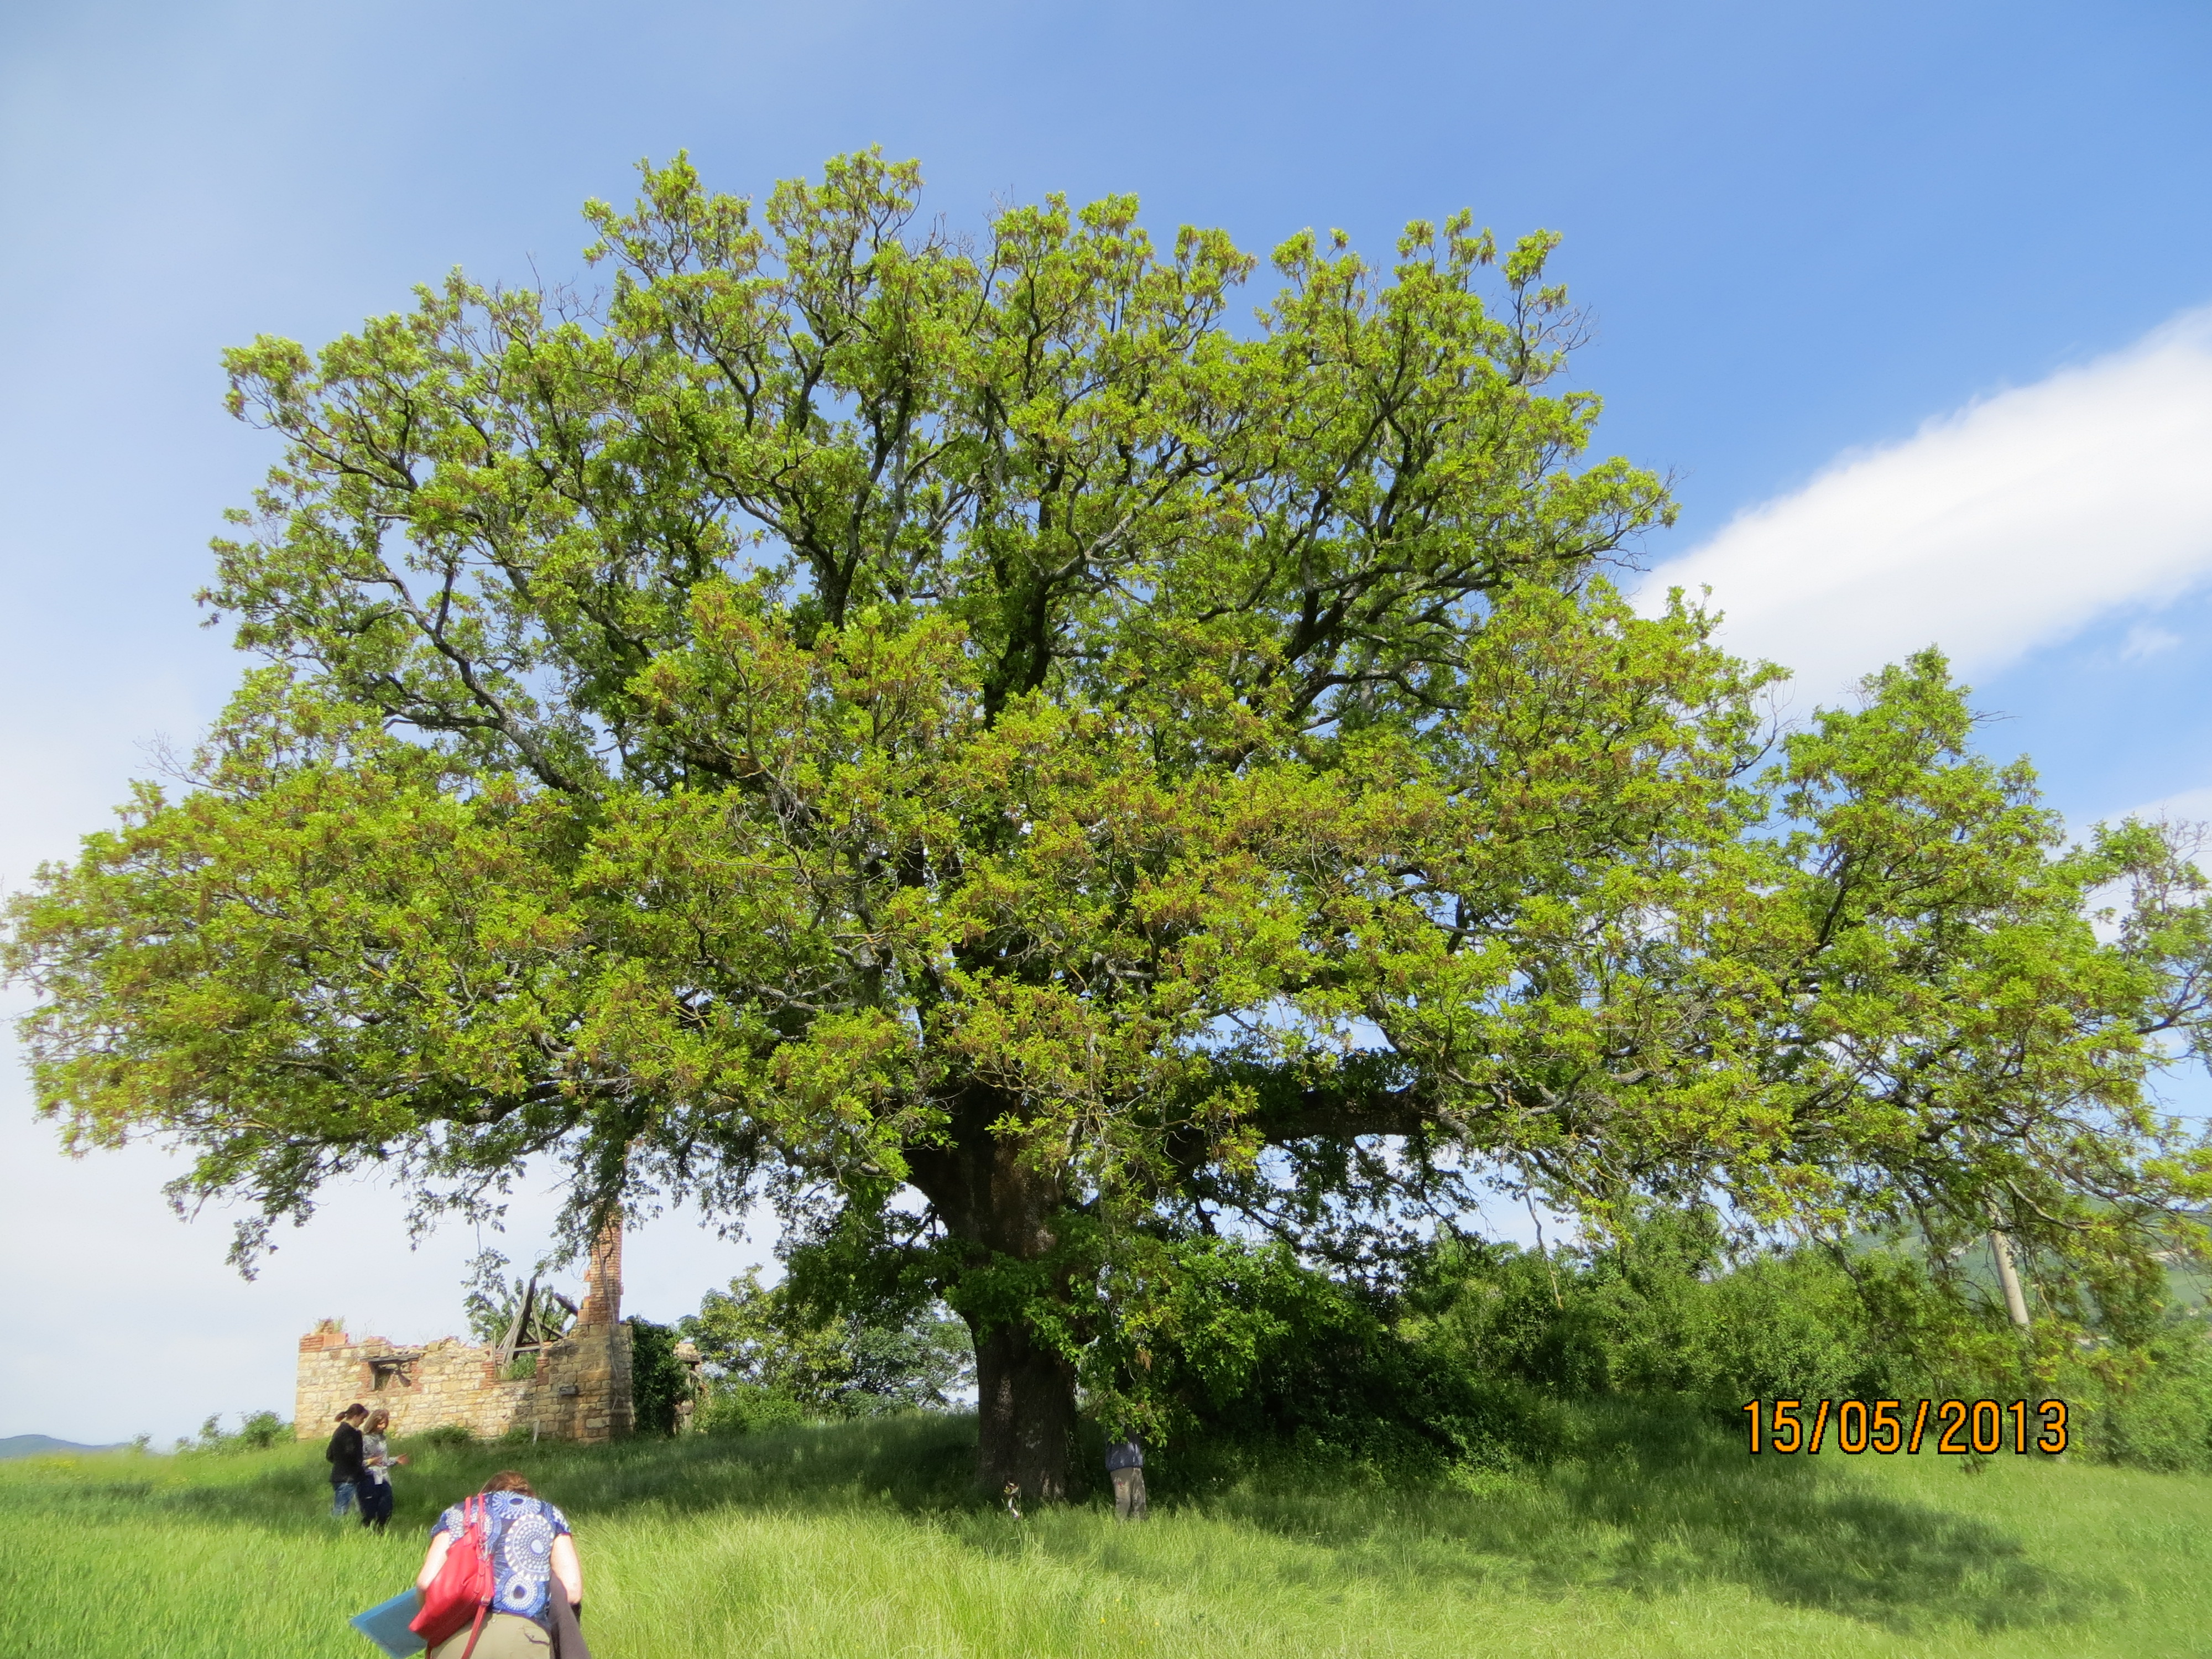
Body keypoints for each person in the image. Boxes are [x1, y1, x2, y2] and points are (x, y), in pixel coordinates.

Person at [415, 1471, 586, 1657]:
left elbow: (426, 1582)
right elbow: (572, 1590)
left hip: (456, 1640)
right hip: (523, 1638)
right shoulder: (548, 1513)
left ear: (486, 1492)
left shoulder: (458, 1513)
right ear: (528, 1494)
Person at [358, 1408, 407, 1531]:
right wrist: (371, 1462)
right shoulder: (366, 1439)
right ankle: (366, 1533)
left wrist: (396, 1460)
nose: (383, 1426)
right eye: (380, 1423)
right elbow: (359, 1463)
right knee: (370, 1512)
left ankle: (380, 1532)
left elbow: (383, 1460)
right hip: (369, 1479)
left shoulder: (382, 1438)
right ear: (373, 1423)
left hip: (384, 1478)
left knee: (386, 1510)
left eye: (385, 1423)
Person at [325, 1404, 368, 1520]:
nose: (362, 1422)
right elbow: (354, 1455)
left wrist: (340, 1463)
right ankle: (333, 1532)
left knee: (342, 1508)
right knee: (341, 1511)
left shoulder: (338, 1431)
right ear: (355, 1417)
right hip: (349, 1478)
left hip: (338, 1476)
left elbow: (329, 1455)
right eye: (362, 1418)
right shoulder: (352, 1434)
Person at [1105, 1434, 1147, 1521]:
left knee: (1140, 1499)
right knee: (1124, 1500)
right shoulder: (1112, 1423)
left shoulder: (1135, 1425)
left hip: (1136, 1465)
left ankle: (1139, 1527)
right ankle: (1120, 1527)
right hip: (1120, 1465)